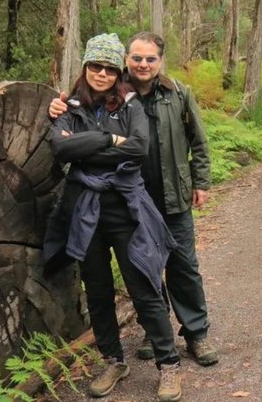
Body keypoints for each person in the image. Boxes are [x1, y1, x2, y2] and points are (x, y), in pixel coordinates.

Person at [48, 31, 218, 368]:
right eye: (136, 58)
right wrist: (58, 104)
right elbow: (73, 119)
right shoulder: (111, 90)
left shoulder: (178, 93)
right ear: (127, 59)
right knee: (144, 269)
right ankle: (154, 335)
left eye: (150, 58)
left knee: (182, 264)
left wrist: (201, 181)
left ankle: (196, 332)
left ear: (160, 61)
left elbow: (197, 141)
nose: (143, 64)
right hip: (132, 197)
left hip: (170, 195)